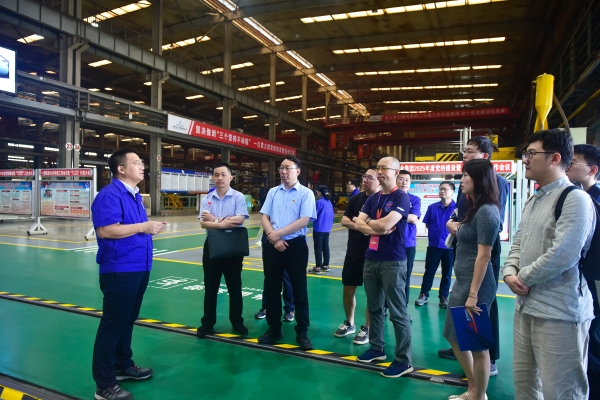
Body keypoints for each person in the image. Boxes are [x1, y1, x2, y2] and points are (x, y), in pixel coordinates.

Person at [501, 129, 596, 399]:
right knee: (525, 385)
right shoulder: (534, 200)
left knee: (562, 391)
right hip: (526, 307)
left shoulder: (575, 199)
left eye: (532, 153)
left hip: (560, 312)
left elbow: (564, 254)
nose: (525, 159)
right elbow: (518, 243)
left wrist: (522, 278)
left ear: (555, 158)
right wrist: (508, 272)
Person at [91, 148, 166, 400]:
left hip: (139, 266)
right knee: (113, 325)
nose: (142, 166)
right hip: (120, 269)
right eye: (136, 163)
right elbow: (106, 230)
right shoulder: (110, 195)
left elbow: (132, 229)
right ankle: (104, 385)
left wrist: (149, 228)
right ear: (121, 169)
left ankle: (122, 365)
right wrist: (144, 226)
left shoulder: (134, 195)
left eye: (142, 162)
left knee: (127, 320)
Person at [439, 136, 508, 376]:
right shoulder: (468, 189)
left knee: (482, 315)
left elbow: (492, 227)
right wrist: (453, 223)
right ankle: (468, 357)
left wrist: (473, 293)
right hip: (466, 255)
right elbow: (461, 212)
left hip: (482, 254)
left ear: (485, 158)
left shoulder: (495, 186)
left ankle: (487, 363)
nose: (465, 155)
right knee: (458, 328)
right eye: (464, 151)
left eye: (470, 151)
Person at [443, 160, 500, 400]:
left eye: (466, 175)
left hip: (477, 285)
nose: (461, 180)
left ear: (480, 179)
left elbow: (484, 255)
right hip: (463, 282)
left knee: (477, 345)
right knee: (452, 334)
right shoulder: (474, 208)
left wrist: (473, 294)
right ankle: (474, 388)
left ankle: (478, 395)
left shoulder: (487, 211)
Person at [353, 157, 413, 378]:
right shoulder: (374, 197)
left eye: (384, 168)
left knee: (397, 312)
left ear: (396, 172)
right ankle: (377, 348)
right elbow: (357, 223)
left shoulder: (401, 197)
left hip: (392, 262)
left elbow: (387, 224)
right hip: (371, 258)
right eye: (377, 168)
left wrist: (369, 224)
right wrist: (373, 226)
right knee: (375, 307)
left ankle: (404, 360)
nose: (379, 172)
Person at [257, 154, 317, 350]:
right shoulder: (273, 192)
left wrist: (278, 234)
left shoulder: (306, 193)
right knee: (272, 289)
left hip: (295, 246)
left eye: (287, 168)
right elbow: (264, 216)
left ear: (297, 171)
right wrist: (273, 237)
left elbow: (304, 219)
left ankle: (302, 331)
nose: (283, 171)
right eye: (281, 168)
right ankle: (274, 328)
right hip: (272, 246)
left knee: (299, 289)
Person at [196, 163, 250, 338]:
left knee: (234, 287)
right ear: (213, 177)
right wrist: (221, 223)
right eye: (216, 174)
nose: (220, 178)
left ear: (230, 177)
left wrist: (215, 219)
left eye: (223, 174)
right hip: (212, 246)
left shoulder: (238, 197)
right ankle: (207, 323)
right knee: (210, 287)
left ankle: (237, 322)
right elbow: (203, 223)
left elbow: (239, 220)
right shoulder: (207, 199)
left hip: (232, 247)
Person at [567, 144, 600, 399]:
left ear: (592, 170)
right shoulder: (579, 196)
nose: (568, 165)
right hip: (587, 276)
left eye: (574, 162)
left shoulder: (593, 201)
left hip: (595, 275)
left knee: (595, 334)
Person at [334, 168, 381, 344]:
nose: (365, 180)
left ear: (379, 181)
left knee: (372, 293)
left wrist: (358, 220)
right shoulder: (356, 199)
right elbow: (344, 220)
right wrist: (363, 225)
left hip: (373, 254)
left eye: (370, 177)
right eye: (364, 176)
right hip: (353, 251)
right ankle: (350, 322)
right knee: (348, 289)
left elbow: (381, 226)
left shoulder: (382, 200)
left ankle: (367, 328)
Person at [415, 181, 456, 309]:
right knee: (429, 271)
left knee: (447, 273)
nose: (442, 191)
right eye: (440, 189)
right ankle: (423, 294)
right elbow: (427, 224)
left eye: (445, 189)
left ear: (452, 191)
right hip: (434, 245)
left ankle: (443, 297)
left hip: (450, 247)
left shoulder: (457, 208)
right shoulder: (432, 207)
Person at [397, 170, 421, 306]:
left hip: (408, 244)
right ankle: (385, 305)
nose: (404, 182)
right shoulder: (390, 198)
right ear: (396, 180)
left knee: (405, 276)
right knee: (389, 276)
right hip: (391, 243)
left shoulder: (415, 200)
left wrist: (393, 215)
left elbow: (413, 218)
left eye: (407, 180)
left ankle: (403, 306)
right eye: (401, 179)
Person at [308, 186, 334, 274]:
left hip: (319, 229)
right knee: (325, 247)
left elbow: (313, 215)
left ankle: (318, 267)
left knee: (318, 248)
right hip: (327, 228)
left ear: (319, 193)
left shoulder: (319, 202)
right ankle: (325, 265)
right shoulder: (329, 202)